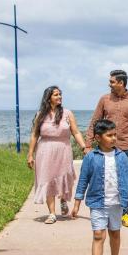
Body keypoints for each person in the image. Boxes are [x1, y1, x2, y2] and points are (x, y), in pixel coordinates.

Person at [72, 119, 128, 255]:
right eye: (109, 135)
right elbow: (83, 181)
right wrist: (77, 203)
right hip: (97, 202)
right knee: (98, 235)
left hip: (117, 203)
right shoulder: (90, 158)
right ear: (97, 137)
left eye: (114, 135)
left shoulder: (121, 156)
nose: (113, 138)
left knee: (115, 234)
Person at [84, 69, 128, 228]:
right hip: (105, 147)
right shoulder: (104, 99)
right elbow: (95, 122)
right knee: (105, 179)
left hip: (126, 147)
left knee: (125, 181)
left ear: (121, 83)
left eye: (112, 81)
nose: (109, 84)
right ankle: (104, 211)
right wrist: (88, 144)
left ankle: (124, 213)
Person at [27, 86, 87, 224]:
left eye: (60, 94)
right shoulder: (40, 115)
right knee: (47, 180)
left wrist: (84, 147)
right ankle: (52, 214)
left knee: (64, 177)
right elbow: (35, 135)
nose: (59, 97)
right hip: (44, 150)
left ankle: (64, 200)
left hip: (63, 149)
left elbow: (76, 132)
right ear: (48, 98)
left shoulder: (67, 113)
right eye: (56, 95)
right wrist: (30, 154)